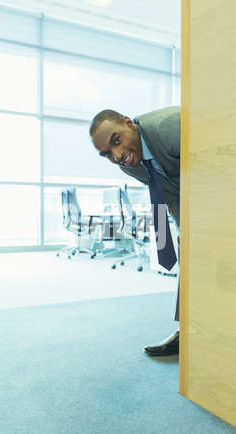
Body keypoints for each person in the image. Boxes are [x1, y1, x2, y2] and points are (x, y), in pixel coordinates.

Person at [89, 106, 180, 356]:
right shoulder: (128, 163)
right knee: (189, 247)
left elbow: (217, 159)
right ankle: (191, 328)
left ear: (129, 123)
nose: (117, 155)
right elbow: (169, 195)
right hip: (190, 195)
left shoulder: (166, 127)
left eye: (116, 141)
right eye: (107, 153)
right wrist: (185, 228)